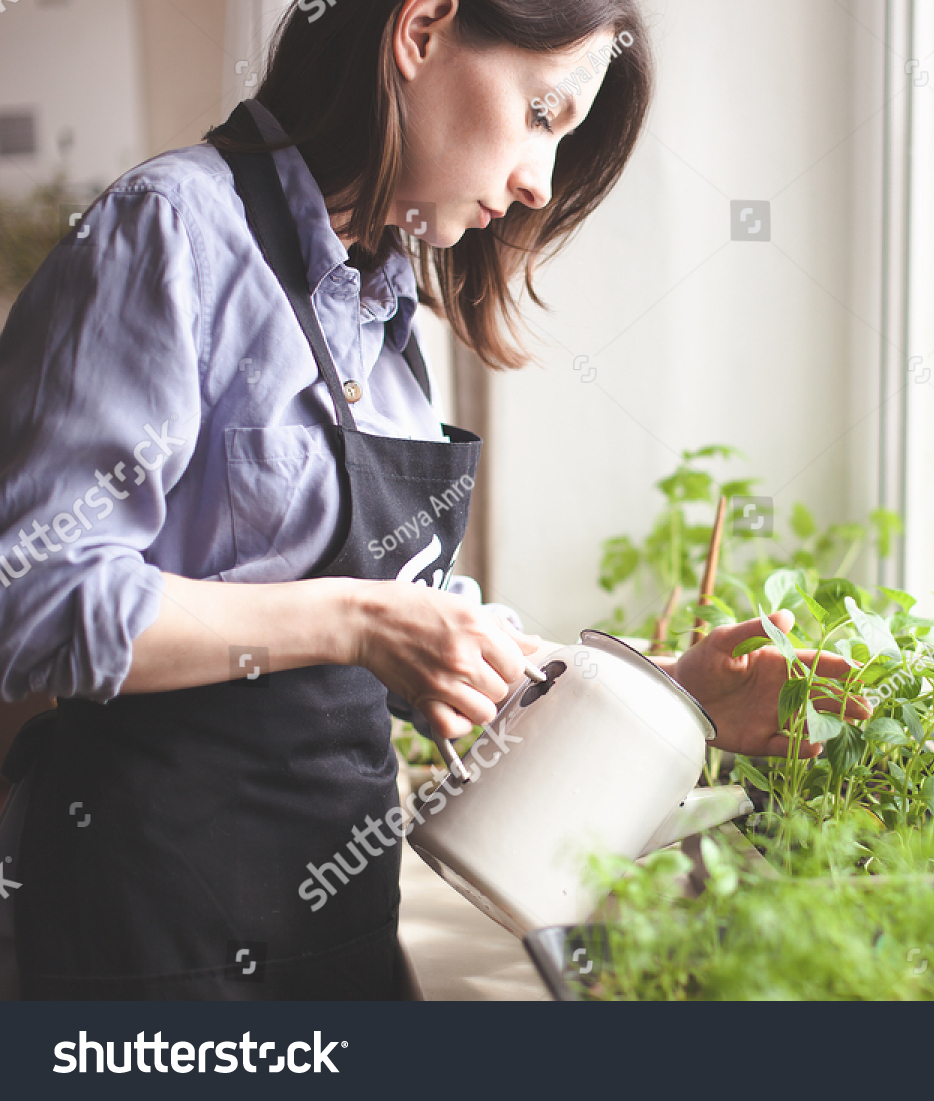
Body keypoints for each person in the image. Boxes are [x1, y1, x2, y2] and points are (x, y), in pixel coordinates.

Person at [0, 0, 864, 1000]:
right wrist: (359, 619)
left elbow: (426, 630)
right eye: (540, 114)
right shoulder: (170, 231)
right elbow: (32, 597)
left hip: (333, 933)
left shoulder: (381, 304)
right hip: (153, 941)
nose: (540, 182)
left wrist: (666, 697)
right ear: (420, 32)